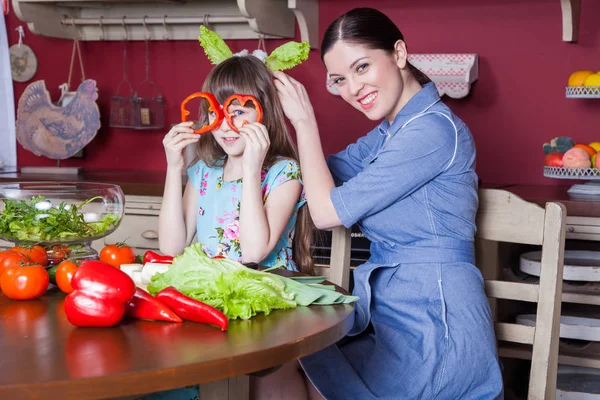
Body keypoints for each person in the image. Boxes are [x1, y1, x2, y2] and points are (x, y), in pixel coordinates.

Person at [262, 7, 504, 400]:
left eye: (362, 67)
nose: (353, 89)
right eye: (339, 79)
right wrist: (249, 148)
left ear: (399, 53)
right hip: (390, 313)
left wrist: (304, 122)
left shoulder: (432, 130)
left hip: (437, 323)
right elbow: (321, 174)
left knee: (284, 370)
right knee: (274, 369)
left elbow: (326, 212)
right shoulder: (392, 132)